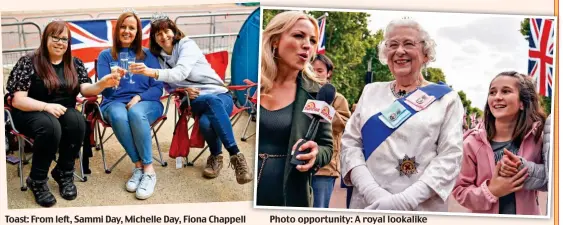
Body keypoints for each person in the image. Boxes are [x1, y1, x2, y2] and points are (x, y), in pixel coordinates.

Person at [340, 17, 464, 211]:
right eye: (393, 45)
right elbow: (351, 145)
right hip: (370, 205)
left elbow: (450, 156)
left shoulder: (447, 99)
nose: (399, 51)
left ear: (426, 54)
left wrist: (403, 201)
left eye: (408, 44)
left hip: (420, 208)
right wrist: (372, 192)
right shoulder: (370, 92)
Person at [6, 20, 122, 207]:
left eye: (64, 39)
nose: (60, 42)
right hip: (29, 112)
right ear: (45, 38)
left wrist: (103, 84)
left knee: (78, 122)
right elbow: (18, 100)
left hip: (62, 111)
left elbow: (86, 90)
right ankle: (37, 180)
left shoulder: (74, 63)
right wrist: (46, 106)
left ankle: (63, 171)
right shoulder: (29, 62)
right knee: (50, 126)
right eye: (56, 37)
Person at [128, 15, 252, 184]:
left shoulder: (187, 45)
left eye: (166, 31)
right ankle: (236, 155)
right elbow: (169, 86)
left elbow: (180, 73)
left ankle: (218, 156)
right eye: (158, 34)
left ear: (174, 31)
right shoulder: (158, 58)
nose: (164, 37)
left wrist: (150, 72)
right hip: (193, 100)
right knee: (209, 102)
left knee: (206, 123)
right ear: (154, 38)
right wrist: (182, 89)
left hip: (220, 95)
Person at [255, 11, 333, 207]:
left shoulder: (318, 92)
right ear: (275, 40)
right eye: (299, 36)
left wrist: (315, 154)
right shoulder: (251, 82)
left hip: (290, 197)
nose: (307, 45)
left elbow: (326, 148)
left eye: (312, 40)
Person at [453, 71, 547, 215]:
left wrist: (524, 170)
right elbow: (460, 191)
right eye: (492, 92)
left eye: (506, 91)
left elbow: (551, 179)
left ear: (522, 103)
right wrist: (492, 190)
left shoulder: (538, 139)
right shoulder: (471, 143)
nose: (497, 97)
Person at [96, 11, 164, 200]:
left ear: (138, 32)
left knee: (135, 113)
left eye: (131, 28)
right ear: (117, 30)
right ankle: (138, 166)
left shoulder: (149, 55)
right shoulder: (106, 56)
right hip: (113, 102)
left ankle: (149, 170)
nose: (127, 31)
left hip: (147, 102)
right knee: (118, 115)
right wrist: (112, 82)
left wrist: (140, 97)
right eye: (123, 27)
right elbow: (105, 92)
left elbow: (159, 88)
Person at [311, 54, 351, 208]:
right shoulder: (301, 94)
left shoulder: (338, 98)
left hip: (325, 166)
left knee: (318, 210)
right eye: (312, 70)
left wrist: (325, 109)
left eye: (320, 70)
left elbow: (345, 126)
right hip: (300, 162)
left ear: (328, 73)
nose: (315, 74)